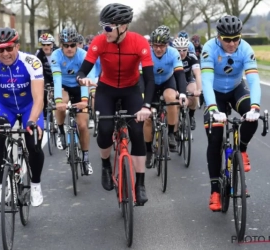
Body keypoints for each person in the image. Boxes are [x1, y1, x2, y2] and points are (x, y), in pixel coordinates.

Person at [76, 3, 155, 205]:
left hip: (131, 89)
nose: (105, 31)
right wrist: (82, 78)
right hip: (106, 89)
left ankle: (140, 183)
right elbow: (83, 69)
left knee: (137, 131)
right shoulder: (99, 41)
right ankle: (105, 164)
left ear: (123, 26)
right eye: (104, 27)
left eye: (109, 27)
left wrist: (146, 106)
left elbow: (149, 78)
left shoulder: (139, 43)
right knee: (104, 129)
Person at [201, 15, 261, 211]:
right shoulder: (209, 49)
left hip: (236, 89)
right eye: (227, 39)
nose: (232, 43)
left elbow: (253, 81)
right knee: (216, 137)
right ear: (219, 37)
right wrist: (212, 108)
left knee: (252, 118)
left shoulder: (245, 49)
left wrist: (255, 107)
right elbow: (207, 83)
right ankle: (215, 191)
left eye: (236, 38)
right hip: (215, 94)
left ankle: (242, 150)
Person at [0, 27, 45, 206]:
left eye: (9, 48)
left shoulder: (32, 62)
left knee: (33, 142)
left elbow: (39, 97)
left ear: (17, 46)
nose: (5, 53)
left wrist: (32, 121)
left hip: (29, 106)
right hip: (4, 106)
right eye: (0, 49)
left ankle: (36, 184)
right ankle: (2, 185)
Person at [51, 27, 95, 175]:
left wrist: (84, 100)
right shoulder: (55, 56)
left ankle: (86, 158)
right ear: (61, 45)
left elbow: (85, 80)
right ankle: (61, 130)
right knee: (62, 101)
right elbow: (56, 79)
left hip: (79, 86)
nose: (69, 48)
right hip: (63, 85)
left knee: (82, 125)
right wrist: (58, 101)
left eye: (72, 45)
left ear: (77, 44)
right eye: (66, 45)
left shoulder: (83, 55)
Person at [143, 25, 187, 168]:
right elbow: (139, 77)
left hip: (167, 80)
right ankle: (149, 151)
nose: (159, 49)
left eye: (162, 45)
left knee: (171, 98)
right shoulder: (146, 53)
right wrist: (143, 98)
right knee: (148, 118)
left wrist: (182, 93)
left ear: (167, 44)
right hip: (150, 83)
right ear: (152, 45)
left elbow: (180, 74)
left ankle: (170, 134)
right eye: (156, 45)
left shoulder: (174, 53)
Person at [172, 37, 201, 130]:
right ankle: (174, 131)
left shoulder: (192, 56)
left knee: (194, 93)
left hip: (188, 80)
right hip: (174, 81)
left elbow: (197, 74)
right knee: (174, 103)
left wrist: (198, 89)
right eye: (178, 50)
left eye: (184, 50)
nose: (181, 53)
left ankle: (191, 116)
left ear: (188, 49)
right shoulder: (171, 56)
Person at [35, 33, 57, 120]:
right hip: (46, 76)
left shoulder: (58, 52)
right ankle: (44, 115)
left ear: (52, 45)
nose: (46, 47)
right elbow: (39, 70)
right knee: (43, 93)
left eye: (48, 44)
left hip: (58, 76)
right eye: (43, 45)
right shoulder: (39, 54)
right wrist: (45, 83)